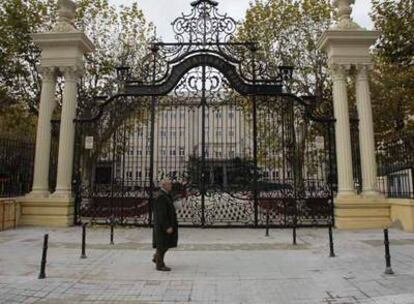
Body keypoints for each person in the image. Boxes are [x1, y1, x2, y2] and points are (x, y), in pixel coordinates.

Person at [152, 179, 178, 271]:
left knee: (164, 244)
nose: (171, 186)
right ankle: (160, 265)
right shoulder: (161, 196)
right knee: (163, 245)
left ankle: (156, 257)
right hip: (163, 226)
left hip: (166, 224)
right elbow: (161, 213)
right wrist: (167, 226)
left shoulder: (165, 195)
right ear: (164, 185)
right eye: (169, 184)